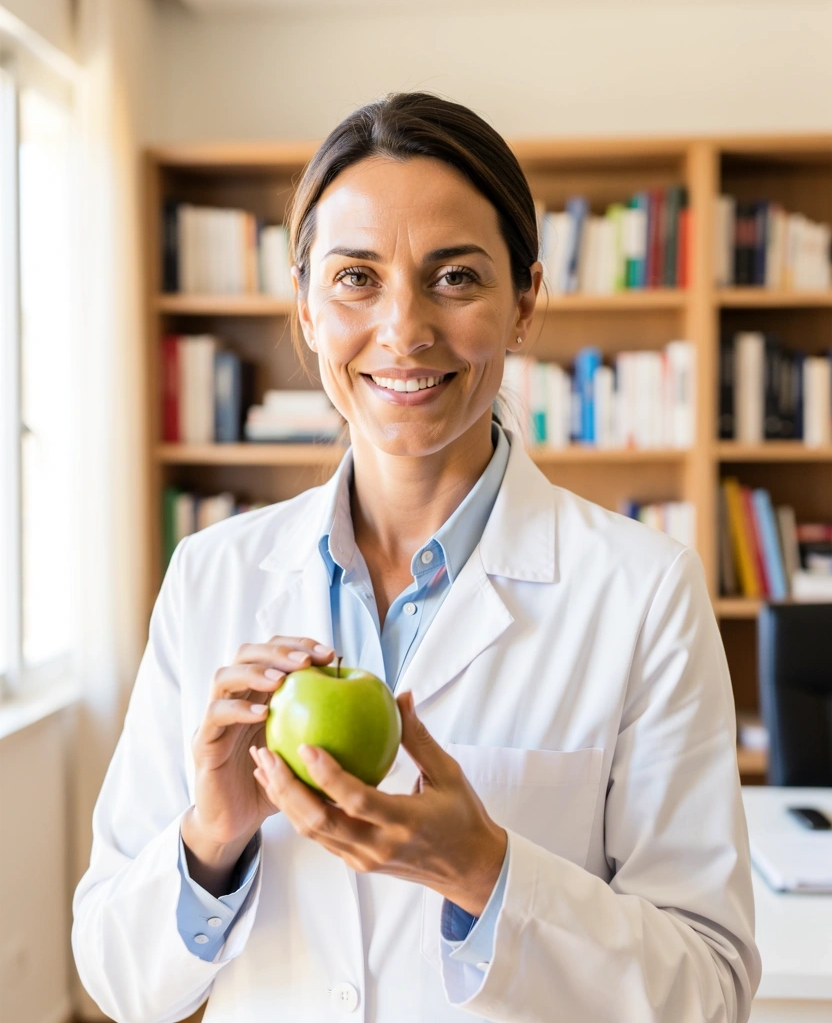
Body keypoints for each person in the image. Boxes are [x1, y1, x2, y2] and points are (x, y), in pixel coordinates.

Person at [72, 92, 761, 1023]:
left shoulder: (644, 594)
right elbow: (119, 980)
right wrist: (213, 838)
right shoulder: (211, 576)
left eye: (455, 278)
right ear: (308, 310)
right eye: (356, 278)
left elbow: (708, 988)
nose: (404, 329)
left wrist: (484, 872)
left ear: (524, 303)